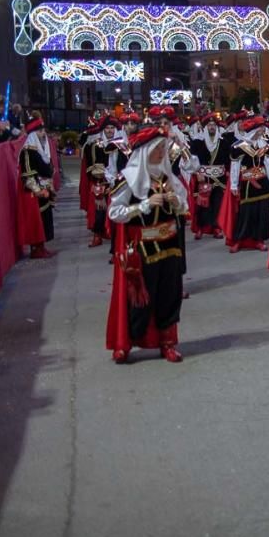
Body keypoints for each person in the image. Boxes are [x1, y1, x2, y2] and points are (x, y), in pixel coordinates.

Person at [106, 126, 188, 364]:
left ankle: (168, 342)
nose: (163, 152)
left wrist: (177, 202)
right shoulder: (129, 179)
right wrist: (144, 205)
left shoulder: (169, 177)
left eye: (164, 147)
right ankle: (127, 343)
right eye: (158, 148)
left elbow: (184, 207)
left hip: (170, 244)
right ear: (145, 151)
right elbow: (115, 212)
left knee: (169, 295)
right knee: (140, 299)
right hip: (143, 247)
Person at [227, 116, 269, 253]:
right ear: (254, 130)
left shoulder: (265, 146)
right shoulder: (239, 146)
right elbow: (235, 166)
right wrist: (233, 185)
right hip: (247, 185)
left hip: (263, 183)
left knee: (262, 213)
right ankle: (239, 240)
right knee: (245, 213)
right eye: (260, 127)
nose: (263, 129)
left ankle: (259, 240)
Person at [17, 113, 56, 259]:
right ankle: (36, 249)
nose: (43, 133)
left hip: (44, 188)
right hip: (33, 192)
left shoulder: (40, 150)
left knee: (45, 219)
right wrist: (39, 190)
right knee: (36, 221)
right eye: (40, 131)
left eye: (43, 130)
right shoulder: (27, 151)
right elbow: (27, 174)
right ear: (33, 133)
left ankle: (41, 247)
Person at [188, 112, 230, 240]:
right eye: (209, 125)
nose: (212, 127)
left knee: (217, 204)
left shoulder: (223, 142)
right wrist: (197, 173)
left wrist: (227, 171)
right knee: (202, 205)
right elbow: (192, 159)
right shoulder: (197, 142)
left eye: (214, 125)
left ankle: (216, 228)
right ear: (205, 127)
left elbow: (228, 160)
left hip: (219, 178)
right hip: (203, 178)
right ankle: (200, 228)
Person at [82, 113, 121, 248]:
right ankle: (97, 235)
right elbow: (91, 166)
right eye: (107, 128)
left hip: (117, 181)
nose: (110, 130)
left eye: (112, 128)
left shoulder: (120, 144)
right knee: (99, 210)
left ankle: (110, 233)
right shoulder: (95, 145)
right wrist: (100, 177)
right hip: (100, 181)